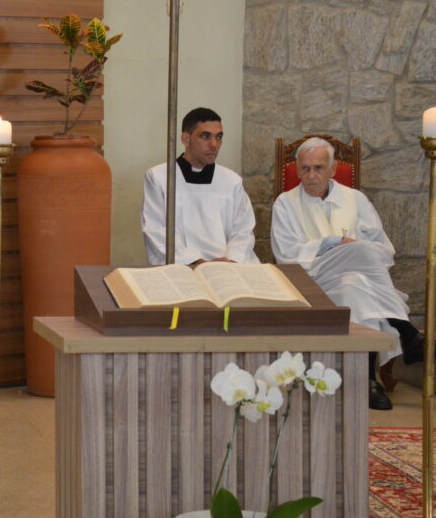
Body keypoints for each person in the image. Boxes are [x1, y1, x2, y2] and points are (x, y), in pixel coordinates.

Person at [271, 137, 423, 410]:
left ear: (332, 169)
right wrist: (332, 245)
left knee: (354, 282)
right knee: (359, 251)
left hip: (354, 283)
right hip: (313, 280)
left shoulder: (356, 200)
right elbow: (285, 255)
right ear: (296, 169)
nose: (311, 176)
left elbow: (384, 250)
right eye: (304, 169)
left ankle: (366, 381)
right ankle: (404, 328)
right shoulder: (286, 203)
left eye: (318, 168)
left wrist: (351, 250)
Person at [141, 107, 259, 266]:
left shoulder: (231, 181)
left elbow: (243, 231)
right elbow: (157, 230)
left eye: (219, 137)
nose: (214, 144)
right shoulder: (160, 177)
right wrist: (197, 262)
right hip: (183, 267)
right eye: (205, 136)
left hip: (228, 268)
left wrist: (230, 260)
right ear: (185, 139)